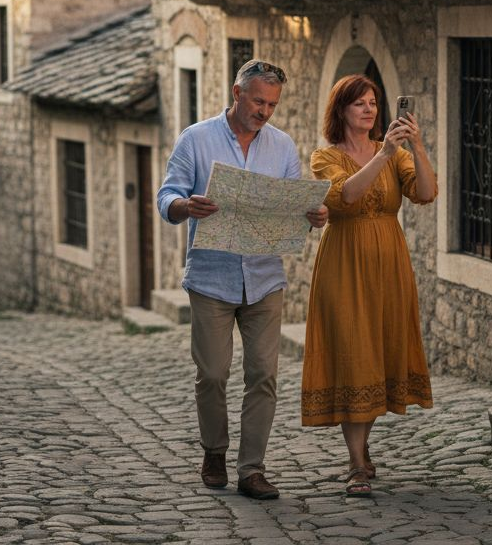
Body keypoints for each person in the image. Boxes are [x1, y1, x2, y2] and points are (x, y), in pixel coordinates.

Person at [157, 59, 329, 501]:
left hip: (265, 278)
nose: (265, 111)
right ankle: (214, 452)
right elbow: (166, 196)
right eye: (258, 102)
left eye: (272, 104)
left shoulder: (282, 146)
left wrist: (312, 215)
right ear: (237, 94)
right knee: (213, 374)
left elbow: (293, 205)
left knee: (264, 375)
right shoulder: (196, 139)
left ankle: (252, 469)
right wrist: (185, 206)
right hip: (211, 278)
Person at [300, 74, 437, 497]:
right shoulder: (325, 157)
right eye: (359, 103)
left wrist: (416, 146)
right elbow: (346, 195)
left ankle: (362, 448)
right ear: (340, 110)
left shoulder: (395, 153)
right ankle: (357, 463)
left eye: (373, 102)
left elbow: (426, 193)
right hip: (344, 265)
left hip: (390, 265)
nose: (369, 109)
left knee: (379, 354)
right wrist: (385, 155)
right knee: (354, 354)